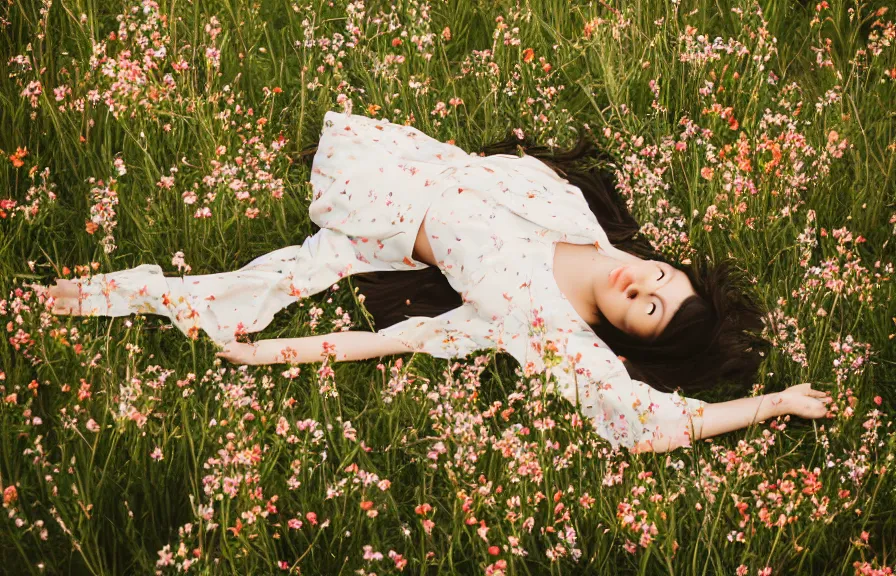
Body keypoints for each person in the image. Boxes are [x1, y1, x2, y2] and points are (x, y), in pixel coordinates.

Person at [36, 110, 832, 453]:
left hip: (369, 211)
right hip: (400, 157)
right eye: (662, 277)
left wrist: (775, 405)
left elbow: (648, 424)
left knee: (234, 294)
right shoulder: (587, 224)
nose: (642, 284)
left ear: (629, 339)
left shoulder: (546, 330)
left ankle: (119, 296)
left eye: (650, 310)